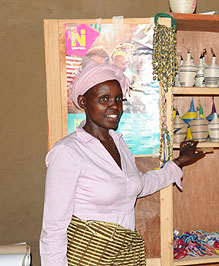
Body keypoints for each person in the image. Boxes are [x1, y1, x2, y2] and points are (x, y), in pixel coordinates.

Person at [40, 57, 205, 266]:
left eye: (118, 99)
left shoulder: (119, 144)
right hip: (87, 260)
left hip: (124, 258)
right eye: (104, 99)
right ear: (83, 102)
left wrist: (179, 162)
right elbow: (53, 230)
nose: (114, 107)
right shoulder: (68, 153)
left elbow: (136, 185)